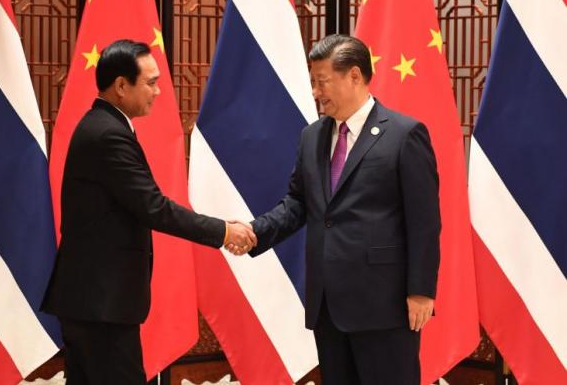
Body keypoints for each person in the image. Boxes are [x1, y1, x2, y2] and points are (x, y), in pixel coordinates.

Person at [42, 39, 256, 385]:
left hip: (92, 300)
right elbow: (154, 208)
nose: (158, 91)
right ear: (122, 86)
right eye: (151, 82)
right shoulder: (108, 135)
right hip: (101, 303)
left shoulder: (102, 125)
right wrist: (224, 231)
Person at [244, 34, 441, 385]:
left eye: (322, 82)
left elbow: (424, 221)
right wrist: (254, 232)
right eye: (313, 83)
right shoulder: (312, 136)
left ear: (354, 75)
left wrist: (421, 290)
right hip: (328, 305)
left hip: (385, 304)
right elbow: (298, 203)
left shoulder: (404, 135)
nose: (316, 92)